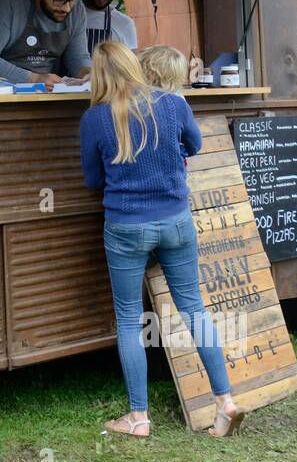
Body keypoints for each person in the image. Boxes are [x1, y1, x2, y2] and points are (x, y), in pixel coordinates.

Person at [80, 41, 244, 438]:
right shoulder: (172, 103)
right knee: (194, 309)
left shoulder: (95, 118)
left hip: (125, 227)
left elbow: (93, 180)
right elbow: (195, 144)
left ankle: (138, 417)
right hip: (175, 220)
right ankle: (225, 402)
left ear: (99, 76)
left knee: (128, 321)